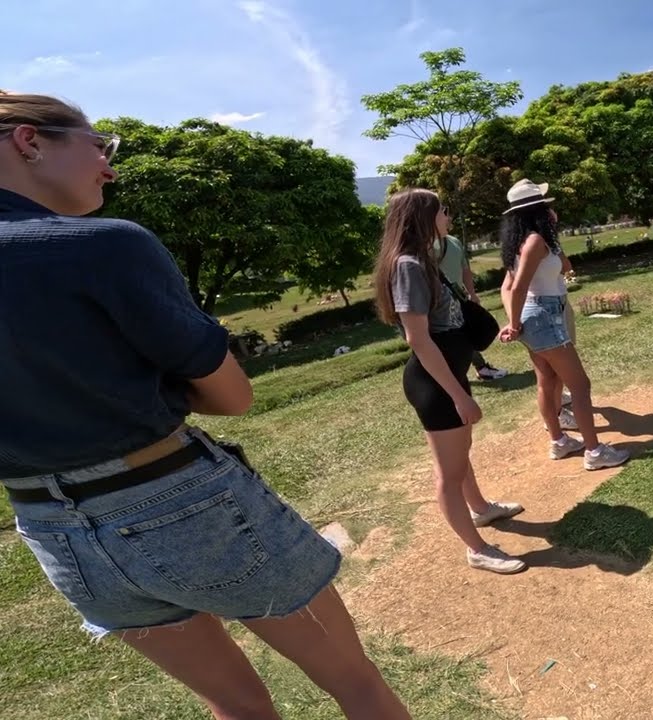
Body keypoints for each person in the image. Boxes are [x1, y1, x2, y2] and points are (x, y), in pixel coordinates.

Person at [0, 92, 410, 718]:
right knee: (355, 684)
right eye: (98, 145)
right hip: (177, 500)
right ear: (30, 142)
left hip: (51, 529)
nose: (109, 167)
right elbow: (233, 395)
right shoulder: (103, 244)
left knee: (236, 705)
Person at [372, 188, 527, 573]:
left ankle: (482, 509)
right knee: (449, 472)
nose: (448, 216)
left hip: (447, 375)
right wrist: (459, 395)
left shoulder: (422, 258)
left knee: (459, 455)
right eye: (442, 210)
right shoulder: (408, 265)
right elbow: (418, 338)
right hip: (435, 383)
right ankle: (476, 549)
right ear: (423, 218)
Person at [497, 179, 629, 470]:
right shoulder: (533, 242)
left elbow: (513, 286)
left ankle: (559, 441)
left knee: (547, 380)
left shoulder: (526, 241)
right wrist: (514, 323)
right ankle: (594, 452)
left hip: (537, 315)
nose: (552, 209)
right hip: (544, 314)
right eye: (547, 205)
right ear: (538, 209)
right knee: (580, 386)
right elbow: (516, 288)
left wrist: (515, 322)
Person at [432, 214, 510, 382]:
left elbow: (465, 269)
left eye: (447, 213)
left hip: (458, 298)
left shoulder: (454, 241)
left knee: (464, 335)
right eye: (443, 213)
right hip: (441, 303)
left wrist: (472, 294)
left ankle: (477, 368)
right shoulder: (429, 246)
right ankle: (474, 370)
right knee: (457, 338)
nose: (448, 217)